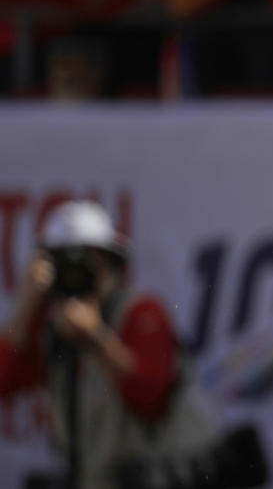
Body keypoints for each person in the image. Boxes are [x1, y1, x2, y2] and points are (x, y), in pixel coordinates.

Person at [0, 200, 219, 489]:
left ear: (112, 262)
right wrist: (28, 300)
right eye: (64, 260)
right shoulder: (52, 328)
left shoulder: (141, 312)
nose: (76, 270)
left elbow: (150, 395)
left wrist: (97, 338)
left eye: (89, 259)